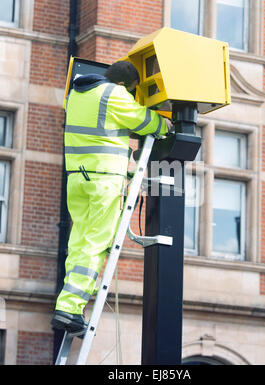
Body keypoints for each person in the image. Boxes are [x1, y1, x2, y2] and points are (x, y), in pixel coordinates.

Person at [51, 61, 171, 333]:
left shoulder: (76, 96)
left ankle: (68, 302)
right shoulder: (113, 94)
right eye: (131, 92)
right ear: (122, 85)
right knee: (96, 242)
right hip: (103, 180)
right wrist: (165, 125)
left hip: (77, 178)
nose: (128, 96)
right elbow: (144, 121)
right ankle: (70, 309)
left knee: (80, 240)